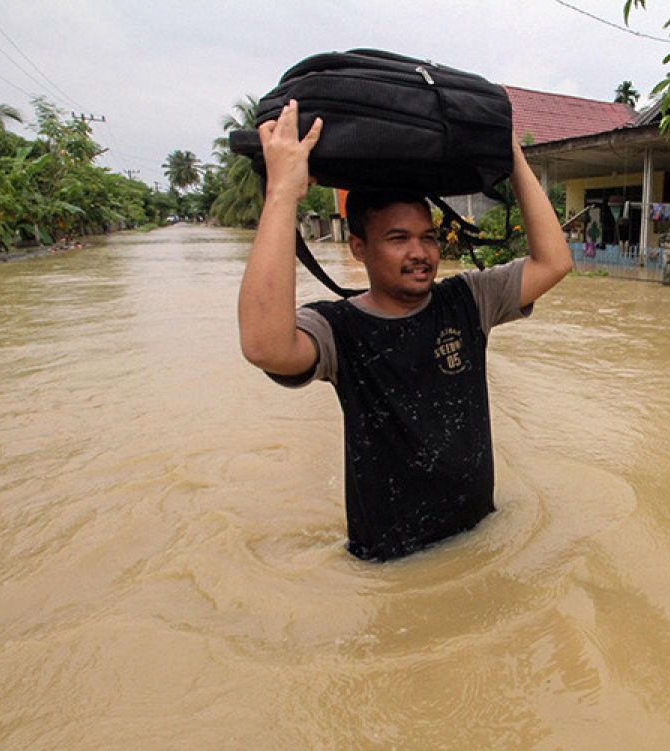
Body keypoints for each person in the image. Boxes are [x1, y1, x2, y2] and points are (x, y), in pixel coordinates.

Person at [238, 99, 572, 561]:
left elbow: (555, 262)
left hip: (481, 544)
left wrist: (511, 156)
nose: (420, 252)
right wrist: (282, 194)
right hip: (391, 565)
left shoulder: (467, 301)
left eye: (427, 236)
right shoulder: (339, 330)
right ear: (358, 248)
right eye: (398, 239)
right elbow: (263, 345)